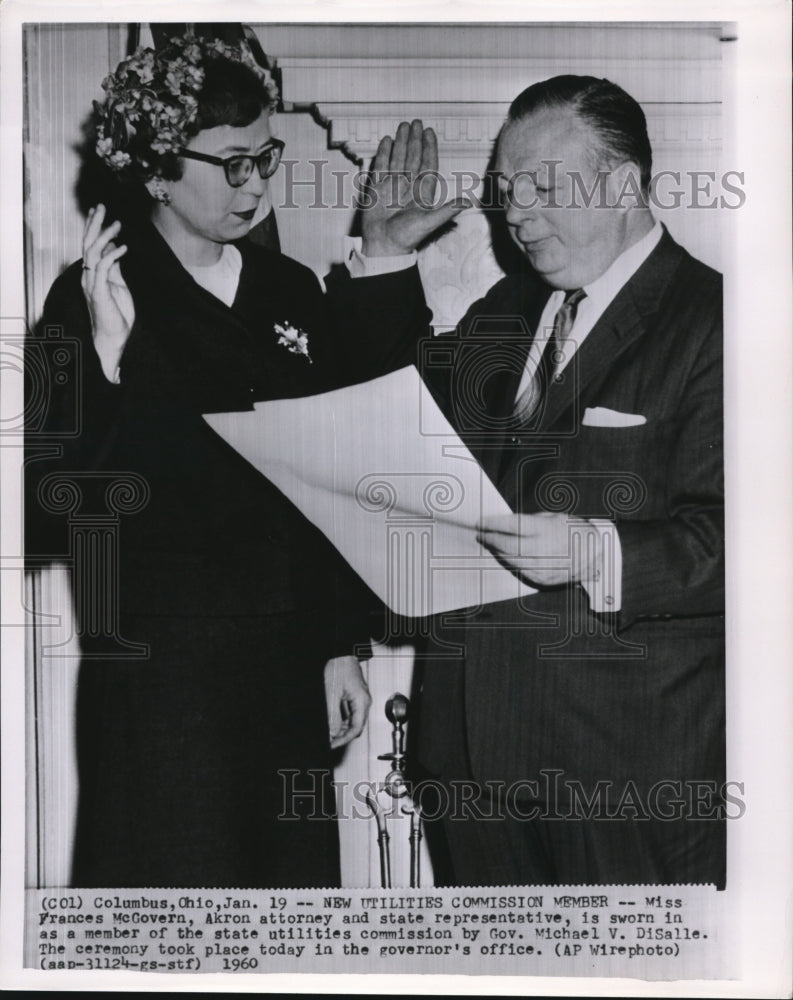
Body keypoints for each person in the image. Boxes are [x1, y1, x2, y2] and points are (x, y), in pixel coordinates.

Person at [24, 33, 439, 889]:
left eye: (265, 157)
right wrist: (105, 364)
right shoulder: (95, 292)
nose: (255, 184)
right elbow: (43, 508)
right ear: (154, 172)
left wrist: (336, 647)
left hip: (287, 660)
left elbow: (336, 464)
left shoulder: (285, 289)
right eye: (230, 164)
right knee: (174, 901)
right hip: (163, 674)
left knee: (286, 907)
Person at [341, 76, 725, 887]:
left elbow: (749, 543)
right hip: (466, 760)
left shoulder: (719, 322)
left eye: (541, 185)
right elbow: (394, 428)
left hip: (623, 771)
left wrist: (595, 551)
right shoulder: (504, 312)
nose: (514, 213)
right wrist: (383, 255)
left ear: (622, 184)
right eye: (506, 190)